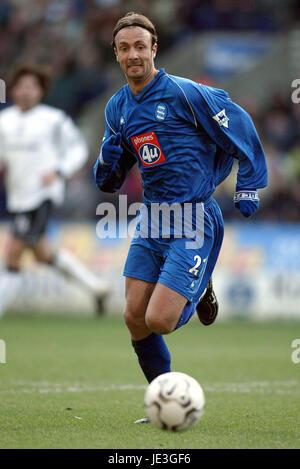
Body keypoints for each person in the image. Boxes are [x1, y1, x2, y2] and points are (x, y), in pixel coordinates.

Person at [94, 12, 268, 422]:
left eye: (141, 46)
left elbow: (240, 125)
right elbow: (110, 175)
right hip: (153, 218)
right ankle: (164, 395)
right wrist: (108, 162)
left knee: (160, 319)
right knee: (134, 317)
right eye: (124, 48)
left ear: (154, 49)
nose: (133, 54)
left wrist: (248, 184)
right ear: (116, 55)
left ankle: (200, 283)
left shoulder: (186, 94)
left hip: (193, 217)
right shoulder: (117, 108)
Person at [0, 64, 109, 318]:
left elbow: (78, 150)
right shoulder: (4, 122)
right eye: (21, 86)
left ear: (41, 91)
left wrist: (59, 170)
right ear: (13, 90)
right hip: (18, 196)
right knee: (43, 254)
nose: (26, 91)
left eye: (32, 87)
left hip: (42, 194)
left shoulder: (54, 120)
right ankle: (96, 287)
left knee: (14, 253)